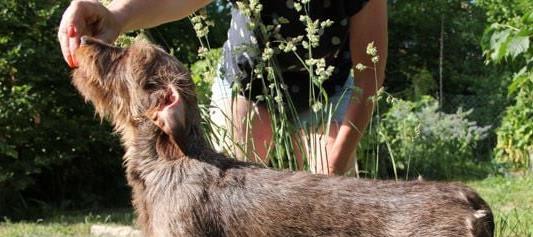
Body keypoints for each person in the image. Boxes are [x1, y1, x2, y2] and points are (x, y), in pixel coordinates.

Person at [58, 0, 387, 176]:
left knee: (337, 200)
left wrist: (335, 164)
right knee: (233, 190)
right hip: (249, 80)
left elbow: (368, 77)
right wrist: (115, 15)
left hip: (326, 87)